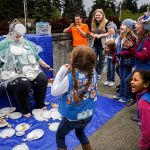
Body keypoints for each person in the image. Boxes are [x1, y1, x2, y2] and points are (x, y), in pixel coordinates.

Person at [0, 23, 52, 117]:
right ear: (12, 32)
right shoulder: (3, 44)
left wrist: (45, 65)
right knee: (23, 83)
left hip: (29, 70)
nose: (18, 37)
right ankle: (25, 109)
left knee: (42, 79)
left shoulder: (26, 43)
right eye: (16, 35)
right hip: (12, 73)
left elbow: (36, 57)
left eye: (20, 36)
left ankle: (40, 104)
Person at [51, 46, 97, 150]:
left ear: (73, 60)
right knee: (80, 133)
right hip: (87, 114)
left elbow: (54, 92)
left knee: (60, 136)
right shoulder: (93, 73)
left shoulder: (70, 79)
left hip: (71, 118)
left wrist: (62, 71)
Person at [124, 12, 150, 107]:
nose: (135, 25)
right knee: (128, 82)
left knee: (143, 91)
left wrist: (132, 48)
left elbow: (143, 56)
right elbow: (136, 53)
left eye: (138, 24)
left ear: (145, 27)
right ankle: (136, 100)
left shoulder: (147, 40)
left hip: (145, 71)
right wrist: (131, 48)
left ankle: (142, 113)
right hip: (139, 69)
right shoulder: (141, 39)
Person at [113, 19, 137, 102]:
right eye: (121, 25)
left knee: (126, 79)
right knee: (122, 78)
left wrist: (121, 54)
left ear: (129, 27)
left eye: (123, 25)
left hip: (127, 62)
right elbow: (118, 48)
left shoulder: (132, 38)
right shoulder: (121, 37)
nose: (121, 26)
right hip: (121, 61)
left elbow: (131, 51)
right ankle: (121, 93)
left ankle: (127, 96)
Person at [130, 70, 150, 150]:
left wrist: (143, 145)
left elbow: (147, 131)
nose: (131, 82)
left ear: (146, 84)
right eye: (132, 79)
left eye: (135, 80)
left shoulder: (144, 103)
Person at [90, 9, 108, 80]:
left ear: (102, 15)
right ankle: (94, 72)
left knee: (102, 60)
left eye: (99, 15)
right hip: (94, 44)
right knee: (93, 59)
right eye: (96, 15)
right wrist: (92, 34)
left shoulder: (106, 22)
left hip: (103, 44)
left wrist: (100, 35)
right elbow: (93, 32)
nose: (97, 16)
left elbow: (110, 32)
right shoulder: (94, 22)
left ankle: (99, 73)